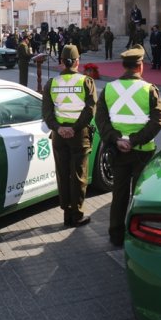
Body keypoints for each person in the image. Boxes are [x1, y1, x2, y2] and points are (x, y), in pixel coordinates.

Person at [96, 45, 161, 247]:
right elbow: (157, 122)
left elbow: (101, 120)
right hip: (143, 152)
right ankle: (139, 236)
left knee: (119, 195)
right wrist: (134, 141)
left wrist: (117, 140)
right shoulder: (149, 89)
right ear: (140, 66)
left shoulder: (109, 89)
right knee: (140, 195)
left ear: (123, 66)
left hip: (117, 151)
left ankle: (116, 235)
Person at [41, 44, 97, 228]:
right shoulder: (86, 81)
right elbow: (90, 111)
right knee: (79, 174)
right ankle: (77, 214)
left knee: (63, 174)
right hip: (79, 135)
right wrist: (75, 128)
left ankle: (66, 213)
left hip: (59, 136)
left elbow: (47, 113)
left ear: (62, 62)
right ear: (77, 62)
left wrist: (59, 128)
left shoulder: (52, 83)